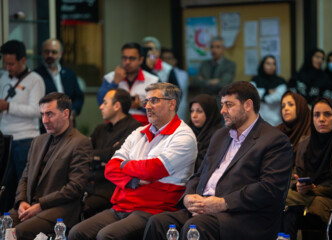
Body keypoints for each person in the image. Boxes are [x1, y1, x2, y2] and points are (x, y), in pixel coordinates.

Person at [143, 81, 293, 240]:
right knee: (157, 222)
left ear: (248, 105)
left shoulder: (274, 140)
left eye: (229, 105)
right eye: (222, 105)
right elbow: (199, 175)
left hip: (243, 216)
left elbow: (269, 189)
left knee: (195, 228)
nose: (222, 111)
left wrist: (224, 203)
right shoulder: (220, 136)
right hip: (205, 209)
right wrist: (188, 197)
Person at [69, 83, 197, 240]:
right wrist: (133, 180)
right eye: (146, 101)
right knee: (77, 232)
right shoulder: (138, 132)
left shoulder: (183, 136)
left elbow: (153, 170)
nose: (148, 106)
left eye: (154, 101)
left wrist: (125, 165)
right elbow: (110, 168)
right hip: (122, 205)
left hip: (154, 209)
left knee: (106, 236)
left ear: (172, 104)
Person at [8, 92, 92, 240]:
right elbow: (25, 177)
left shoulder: (80, 142)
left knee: (20, 231)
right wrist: (21, 201)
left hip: (59, 209)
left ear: (66, 114)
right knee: (4, 224)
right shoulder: (38, 141)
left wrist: (41, 205)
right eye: (42, 115)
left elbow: (76, 187)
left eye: (50, 114)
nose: (45, 120)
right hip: (30, 206)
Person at [283, 97, 332, 240]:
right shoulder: (306, 143)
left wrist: (312, 189)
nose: (321, 119)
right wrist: (298, 185)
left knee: (313, 205)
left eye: (327, 114)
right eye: (316, 115)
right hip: (305, 197)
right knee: (285, 203)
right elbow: (295, 174)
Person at [0, 40, 45, 211]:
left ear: (23, 61)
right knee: (5, 186)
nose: (8, 67)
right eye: (5, 63)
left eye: (11, 63)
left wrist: (8, 107)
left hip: (25, 139)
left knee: (24, 185)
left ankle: (24, 222)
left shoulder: (35, 80)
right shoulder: (3, 77)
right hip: (4, 138)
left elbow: (36, 110)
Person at [84, 88, 142, 218]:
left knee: (80, 210)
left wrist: (102, 155)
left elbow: (115, 156)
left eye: (105, 103)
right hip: (91, 185)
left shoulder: (135, 128)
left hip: (112, 189)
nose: (100, 106)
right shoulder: (100, 129)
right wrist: (103, 155)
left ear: (117, 106)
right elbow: (84, 154)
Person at [97, 42, 159, 125]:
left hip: (143, 126)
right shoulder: (110, 78)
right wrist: (115, 83)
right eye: (124, 58)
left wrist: (140, 106)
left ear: (141, 60)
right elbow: (101, 102)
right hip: (114, 126)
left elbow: (159, 108)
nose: (127, 62)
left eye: (132, 58)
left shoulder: (152, 80)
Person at [35, 38, 84, 116]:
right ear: (42, 53)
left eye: (54, 52)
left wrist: (72, 112)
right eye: (47, 52)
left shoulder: (69, 74)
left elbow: (78, 98)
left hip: (68, 120)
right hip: (46, 122)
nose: (50, 55)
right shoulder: (36, 75)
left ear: (60, 54)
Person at [188, 94, 222, 171]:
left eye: (199, 111)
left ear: (209, 113)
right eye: (192, 111)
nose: (194, 115)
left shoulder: (218, 136)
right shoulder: (186, 131)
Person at [251, 55, 287, 126]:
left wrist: (262, 97)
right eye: (268, 63)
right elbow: (252, 95)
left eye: (274, 64)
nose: (271, 66)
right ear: (262, 65)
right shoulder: (255, 80)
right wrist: (267, 92)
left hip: (276, 120)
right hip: (258, 119)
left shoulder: (280, 81)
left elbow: (277, 98)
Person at [277, 91, 311, 157]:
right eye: (283, 106)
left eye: (291, 104)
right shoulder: (276, 131)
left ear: (301, 107)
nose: (286, 109)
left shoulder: (311, 133)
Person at [161, 48, 189, 120]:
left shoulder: (182, 74)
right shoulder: (159, 73)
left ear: (175, 60)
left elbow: (176, 90)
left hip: (179, 108)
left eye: (169, 58)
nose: (166, 61)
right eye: (164, 58)